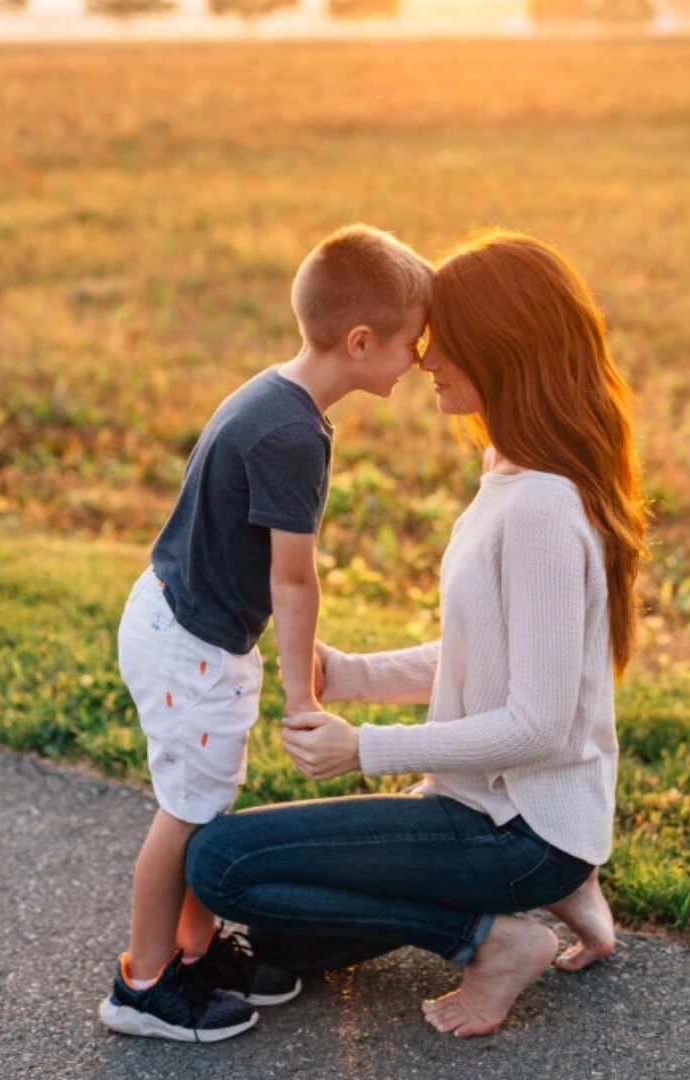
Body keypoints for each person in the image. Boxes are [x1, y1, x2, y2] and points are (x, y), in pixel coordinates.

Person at [183, 229, 647, 1038]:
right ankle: (569, 887)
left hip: (510, 828)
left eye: (443, 340)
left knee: (223, 866)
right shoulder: (513, 469)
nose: (424, 357)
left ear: (502, 351)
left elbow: (536, 726)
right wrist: (351, 672)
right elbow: (484, 660)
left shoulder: (539, 507)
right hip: (512, 816)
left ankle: (495, 937)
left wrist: (364, 748)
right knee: (287, 942)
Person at [98, 224, 433, 1042]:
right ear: (360, 342)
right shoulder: (293, 434)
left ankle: (193, 951)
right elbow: (293, 579)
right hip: (192, 642)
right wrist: (300, 696)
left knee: (205, 803)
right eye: (410, 345)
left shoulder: (275, 394)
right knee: (186, 812)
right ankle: (144, 985)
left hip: (182, 618)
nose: (419, 360)